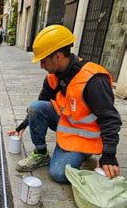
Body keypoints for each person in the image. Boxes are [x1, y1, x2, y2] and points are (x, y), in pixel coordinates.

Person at [8, 25, 122, 183]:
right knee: (36, 106)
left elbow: (110, 118)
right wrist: (21, 126)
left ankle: (83, 153)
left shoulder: (93, 79)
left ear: (58, 56)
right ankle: (41, 154)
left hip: (84, 137)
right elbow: (40, 105)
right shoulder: (53, 77)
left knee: (58, 174)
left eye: (44, 61)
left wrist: (109, 155)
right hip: (66, 124)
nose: (42, 66)